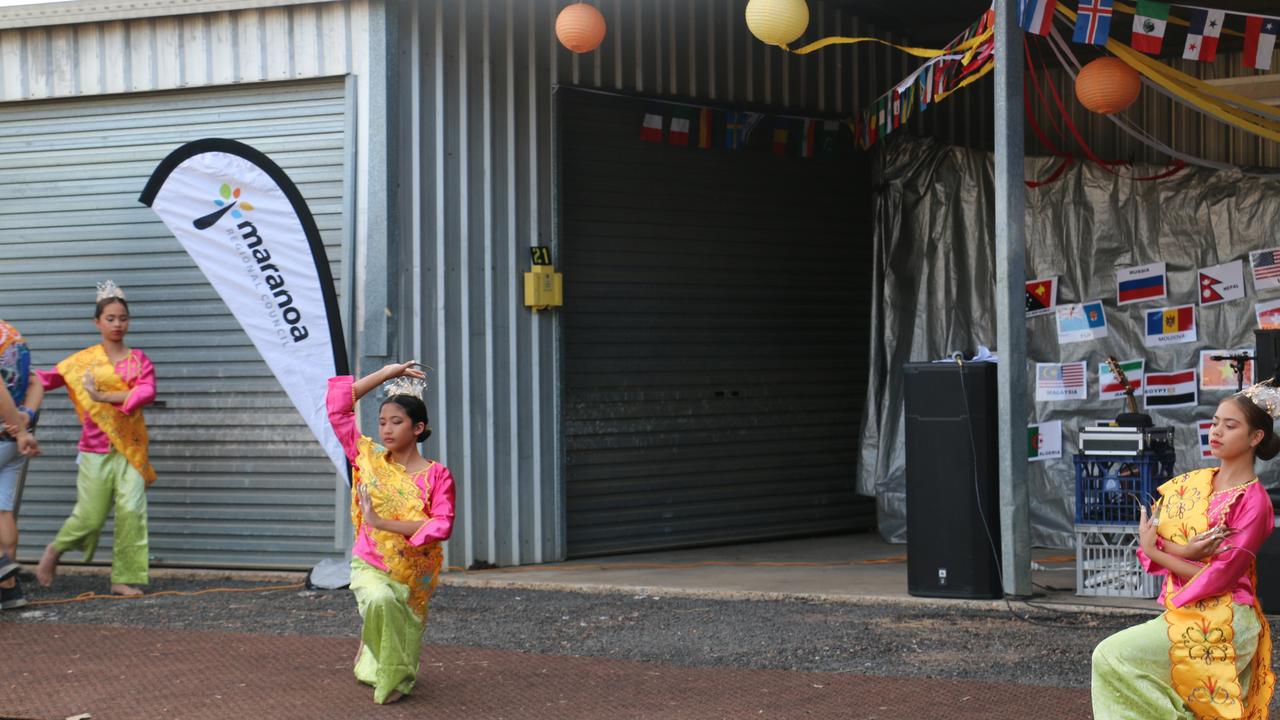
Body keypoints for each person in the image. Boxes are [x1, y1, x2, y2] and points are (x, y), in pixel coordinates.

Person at [1092, 384, 1279, 719]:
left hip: (1226, 617)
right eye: (1215, 421)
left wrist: (1160, 550)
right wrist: (1181, 548)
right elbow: (1157, 539)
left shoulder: (1254, 503)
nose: (1217, 431)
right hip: (1191, 610)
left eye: (1230, 425)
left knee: (1111, 655)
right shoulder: (1192, 483)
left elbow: (1220, 576)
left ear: (1255, 437)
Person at [326, 360, 456, 704]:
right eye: (382, 422)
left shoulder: (437, 475)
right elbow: (338, 408)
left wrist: (381, 522)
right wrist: (388, 374)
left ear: (418, 428)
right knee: (380, 601)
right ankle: (389, 676)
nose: (386, 429)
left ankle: (382, 658)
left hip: (415, 573)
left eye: (396, 422)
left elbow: (440, 524)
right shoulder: (368, 458)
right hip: (369, 560)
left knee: (404, 637)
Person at [34, 281, 158, 596]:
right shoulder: (82, 361)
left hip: (130, 448)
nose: (117, 324)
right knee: (89, 517)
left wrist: (102, 395)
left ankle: (122, 578)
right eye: (110, 318)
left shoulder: (139, 360)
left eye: (123, 318)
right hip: (94, 449)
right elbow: (44, 380)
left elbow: (146, 392)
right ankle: (55, 549)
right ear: (97, 322)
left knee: (132, 510)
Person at [0, 320, 42, 610]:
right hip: (12, 442)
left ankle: (1, 564)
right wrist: (25, 417)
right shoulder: (12, 335)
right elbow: (36, 382)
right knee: (3, 510)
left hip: (8, 432)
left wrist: (19, 427)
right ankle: (9, 590)